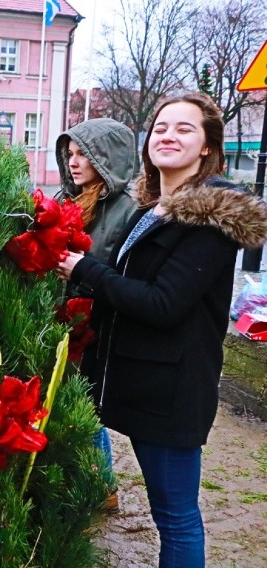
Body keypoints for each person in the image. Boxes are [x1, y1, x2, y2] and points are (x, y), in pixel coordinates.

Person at [56, 92, 267, 567]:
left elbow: (162, 303)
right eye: (161, 127)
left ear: (208, 146)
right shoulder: (154, 207)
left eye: (184, 128)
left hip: (172, 389)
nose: (168, 136)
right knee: (167, 513)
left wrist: (85, 270)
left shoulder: (211, 219)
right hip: (138, 378)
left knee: (175, 518)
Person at [54, 117, 137, 511]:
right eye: (70, 153)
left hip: (95, 322)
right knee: (67, 398)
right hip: (61, 317)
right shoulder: (66, 199)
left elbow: (122, 271)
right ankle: (81, 479)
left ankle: (103, 485)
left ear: (107, 157)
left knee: (84, 403)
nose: (74, 161)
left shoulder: (128, 210)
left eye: (84, 153)